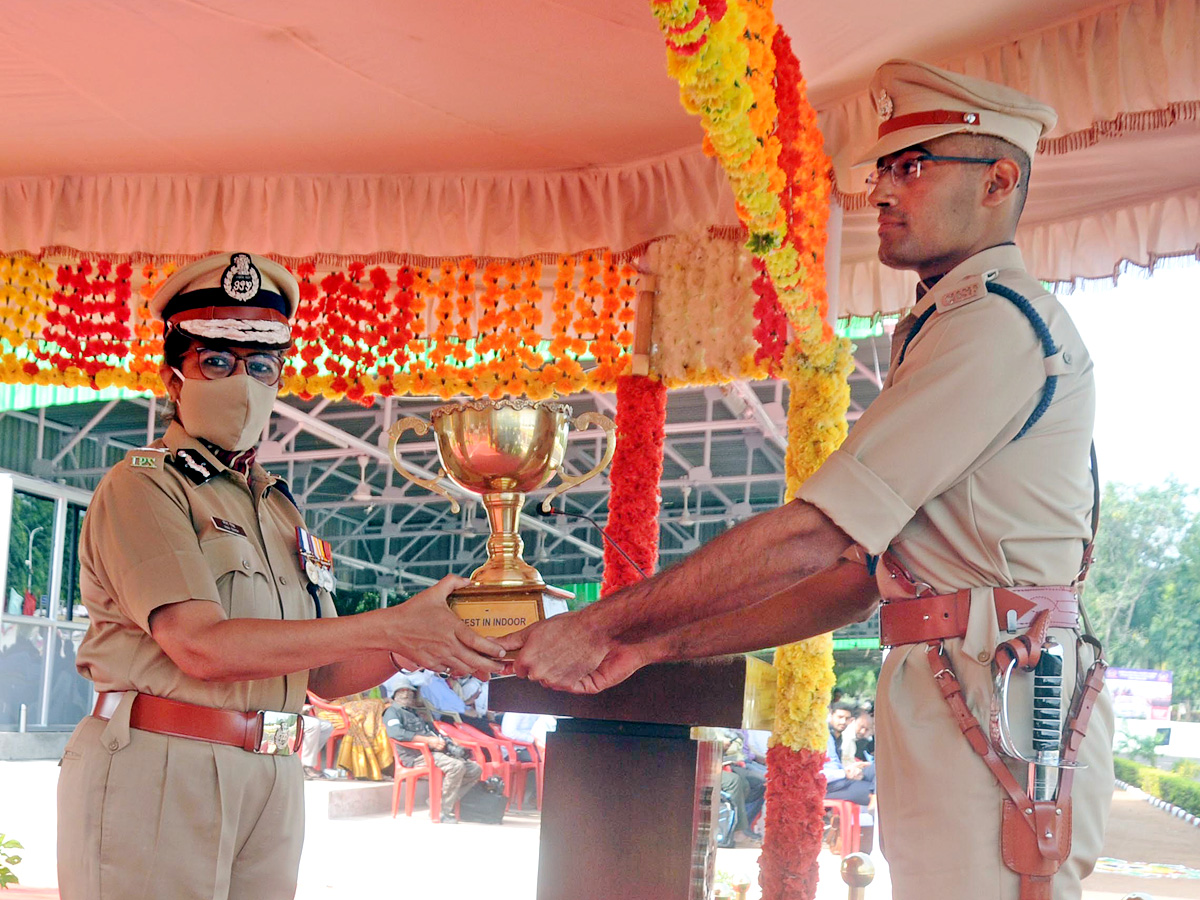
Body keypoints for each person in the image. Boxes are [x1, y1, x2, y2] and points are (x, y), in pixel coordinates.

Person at [500, 60, 1114, 900]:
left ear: (1000, 179)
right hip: (965, 675)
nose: (883, 192)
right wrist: (648, 645)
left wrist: (597, 622)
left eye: (914, 165)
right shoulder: (947, 323)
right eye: (881, 171)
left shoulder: (995, 325)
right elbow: (853, 583)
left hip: (1000, 686)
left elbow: (816, 534)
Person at [56, 251, 506, 900]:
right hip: (161, 764)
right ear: (173, 378)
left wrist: (421, 636)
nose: (243, 383)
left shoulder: (276, 508)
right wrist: (388, 622)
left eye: (261, 367)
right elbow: (201, 645)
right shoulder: (145, 485)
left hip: (271, 769)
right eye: (217, 362)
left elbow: (319, 674)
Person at [383, 677, 483, 820]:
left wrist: (447, 741)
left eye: (408, 691)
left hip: (434, 753)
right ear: (395, 694)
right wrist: (428, 741)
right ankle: (442, 811)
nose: (405, 695)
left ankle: (437, 803)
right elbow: (396, 733)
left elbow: (431, 731)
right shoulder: (392, 712)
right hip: (416, 756)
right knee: (456, 767)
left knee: (475, 769)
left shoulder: (414, 713)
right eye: (401, 691)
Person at [825, 704, 875, 806]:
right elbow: (819, 775)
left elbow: (836, 765)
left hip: (840, 777)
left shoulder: (834, 736)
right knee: (880, 792)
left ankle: (876, 797)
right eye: (839, 717)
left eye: (846, 718)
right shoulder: (817, 737)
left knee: (877, 769)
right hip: (829, 785)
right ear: (831, 715)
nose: (843, 722)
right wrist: (844, 773)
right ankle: (875, 799)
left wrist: (851, 769)